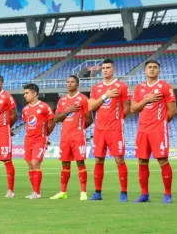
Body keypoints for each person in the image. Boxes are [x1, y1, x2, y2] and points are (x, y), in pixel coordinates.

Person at [131, 60, 176, 203]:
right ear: (145, 71)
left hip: (158, 130)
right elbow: (133, 109)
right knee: (142, 161)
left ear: (159, 71)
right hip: (142, 129)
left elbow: (172, 110)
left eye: (155, 67)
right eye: (149, 67)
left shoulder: (165, 86)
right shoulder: (139, 88)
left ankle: (167, 194)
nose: (152, 69)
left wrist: (160, 123)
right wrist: (147, 100)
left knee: (162, 160)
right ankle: (144, 194)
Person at [87, 59, 131, 201]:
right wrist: (105, 96)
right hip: (99, 129)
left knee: (119, 159)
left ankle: (123, 193)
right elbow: (91, 106)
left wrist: (117, 119)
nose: (105, 70)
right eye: (103, 68)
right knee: (98, 159)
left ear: (114, 69)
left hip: (115, 129)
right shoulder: (96, 88)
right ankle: (97, 193)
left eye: (108, 68)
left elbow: (127, 108)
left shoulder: (122, 86)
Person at [49, 75, 93, 201]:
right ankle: (63, 192)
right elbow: (56, 119)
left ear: (77, 84)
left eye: (72, 82)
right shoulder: (62, 100)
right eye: (67, 82)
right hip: (65, 136)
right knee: (65, 163)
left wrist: (79, 128)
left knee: (80, 162)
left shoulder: (83, 99)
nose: (69, 84)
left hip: (77, 136)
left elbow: (89, 119)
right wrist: (68, 111)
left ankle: (83, 192)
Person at [22, 83, 55, 199]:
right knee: (30, 165)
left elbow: (52, 121)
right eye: (24, 93)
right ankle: (34, 191)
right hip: (28, 140)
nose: (24, 95)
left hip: (39, 140)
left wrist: (45, 135)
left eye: (27, 93)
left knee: (36, 163)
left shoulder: (44, 107)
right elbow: (27, 124)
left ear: (34, 93)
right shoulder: (25, 110)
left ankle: (37, 192)